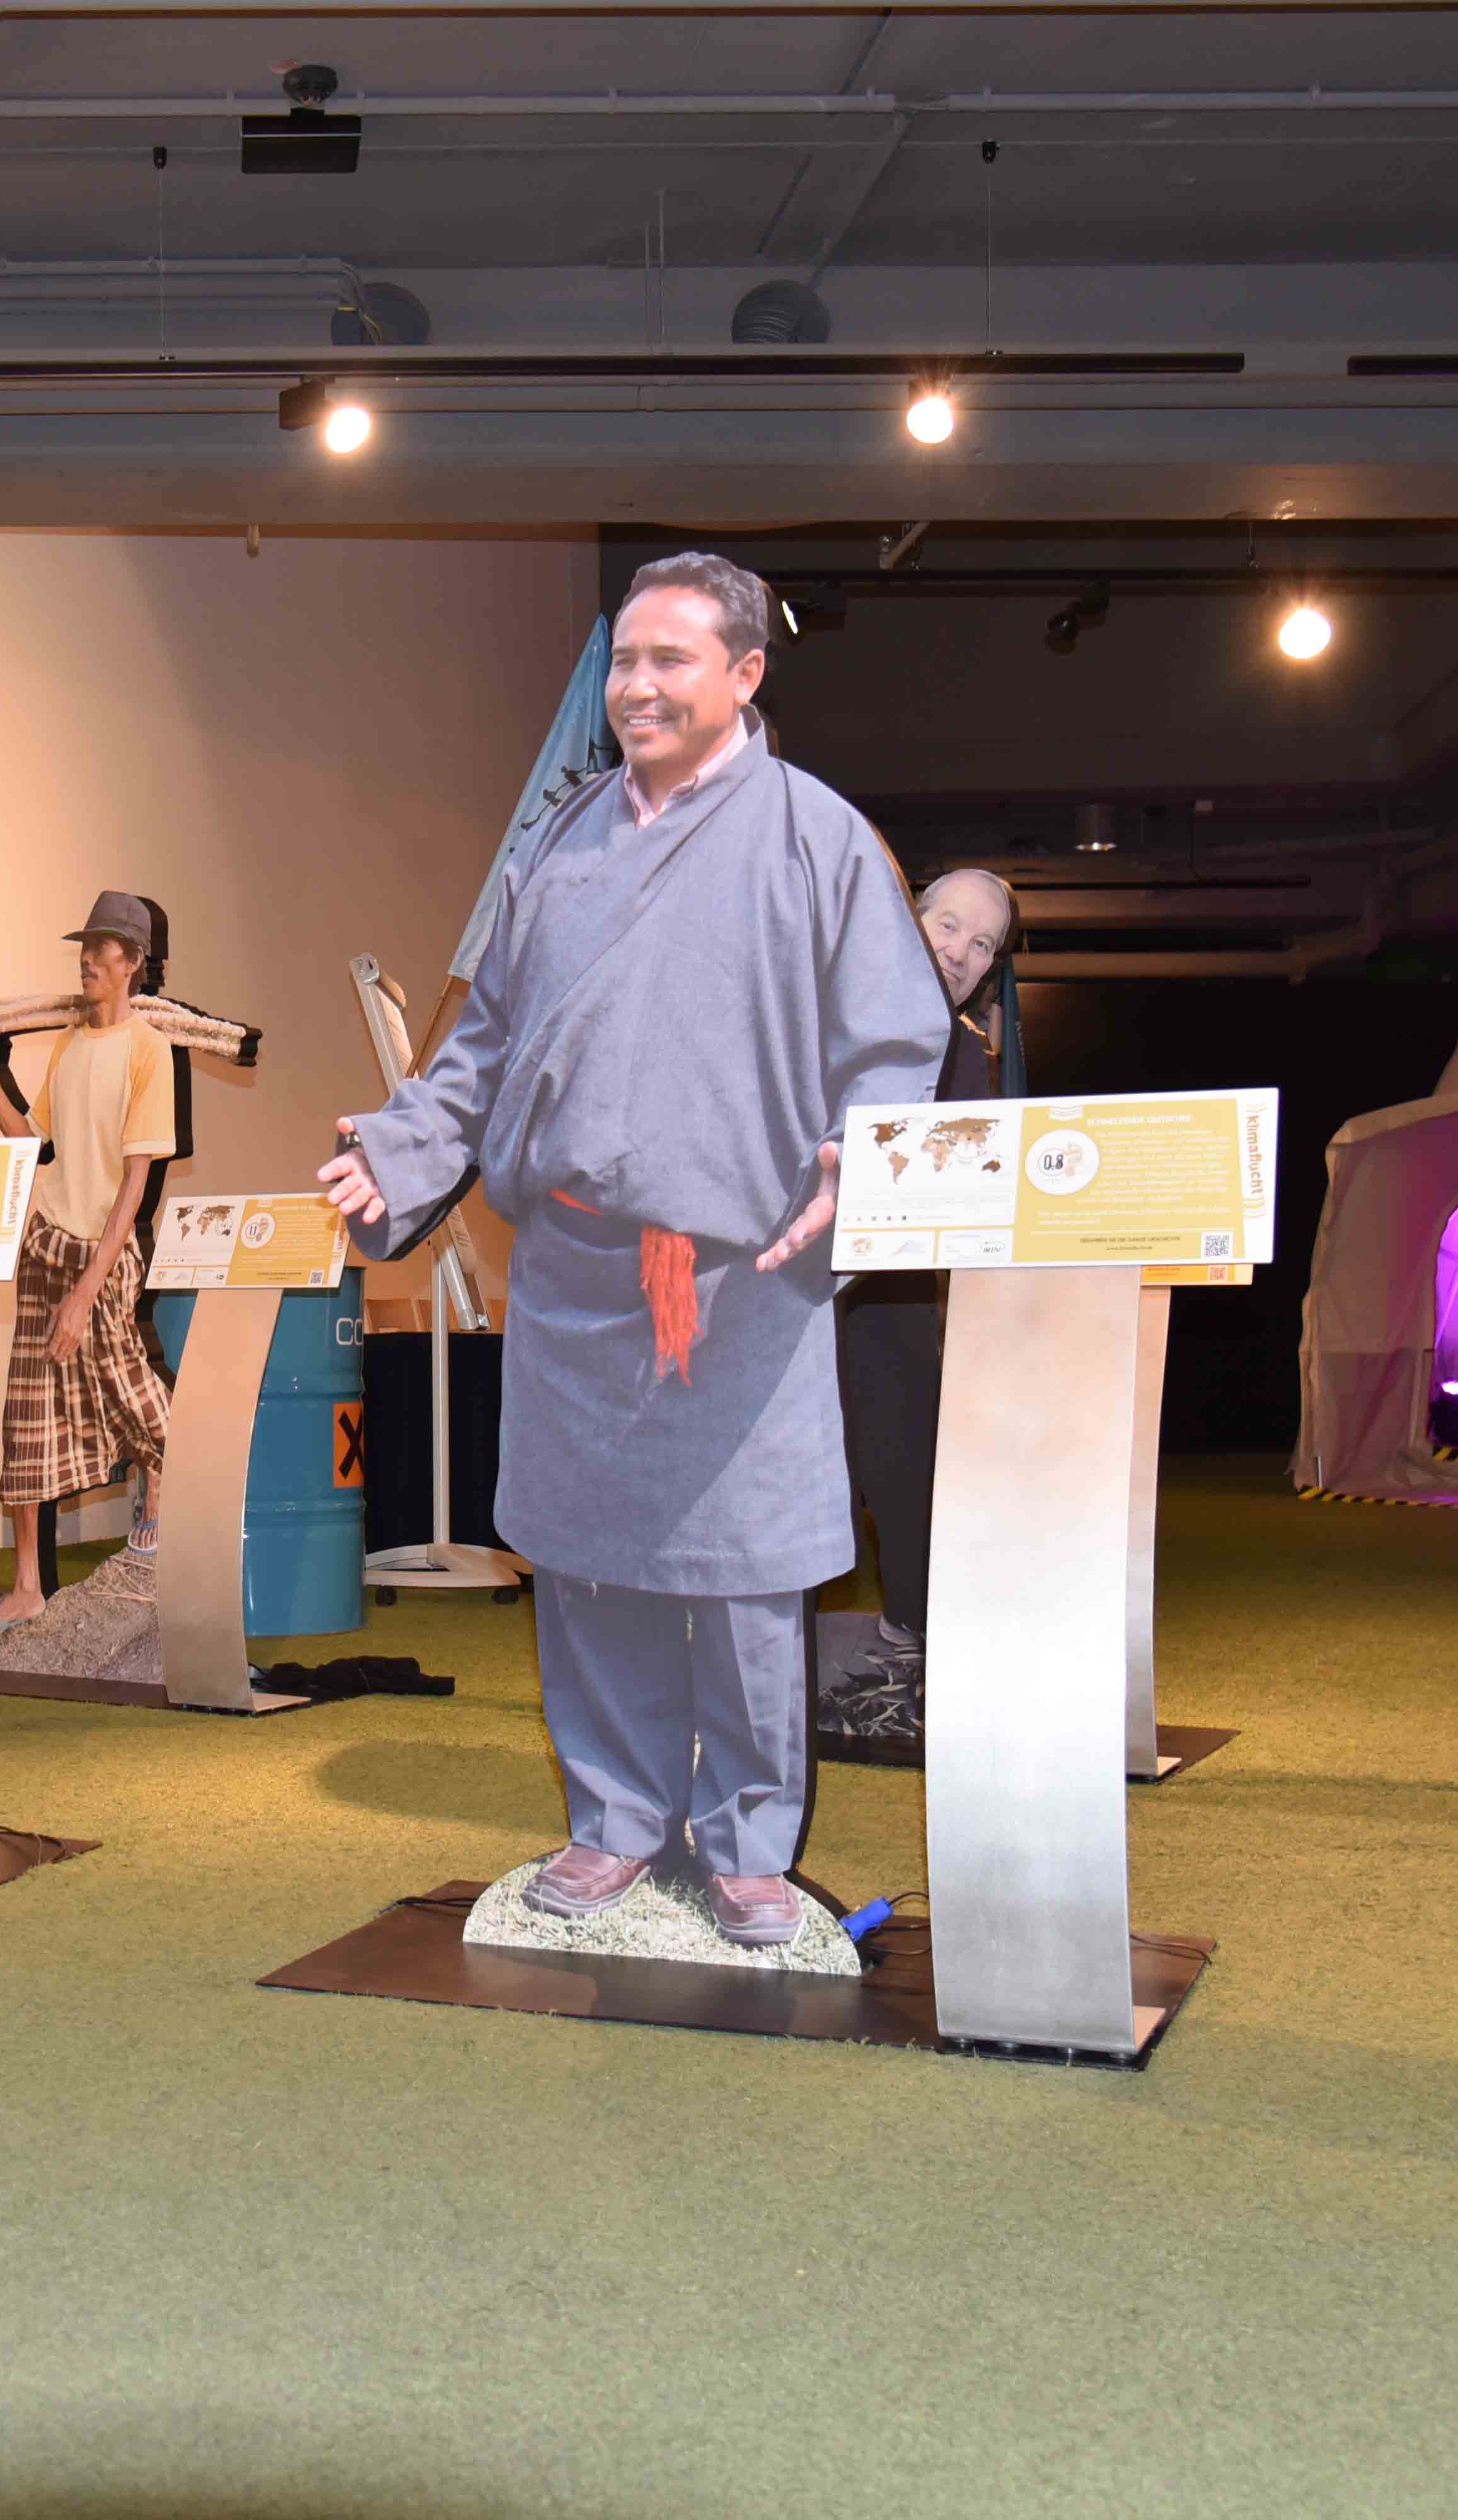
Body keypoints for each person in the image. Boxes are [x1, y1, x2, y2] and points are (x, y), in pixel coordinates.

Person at [318, 552, 951, 1946]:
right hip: (574, 1269)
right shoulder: (559, 844)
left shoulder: (818, 838)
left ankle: (747, 1843)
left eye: (672, 660)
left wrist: (860, 1158)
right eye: (624, 661)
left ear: (745, 673)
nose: (638, 687)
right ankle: (612, 1821)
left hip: (745, 1274)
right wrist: (401, 1150)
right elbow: (482, 1045)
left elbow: (895, 1046)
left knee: (743, 1573)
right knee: (587, 1560)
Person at [825, 866, 1021, 1741]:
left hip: (894, 1290)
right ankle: (752, 1661)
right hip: (786, 1285)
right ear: (911, 916)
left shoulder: (969, 1049)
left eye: (983, 944)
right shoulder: (823, 999)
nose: (960, 952)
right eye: (949, 926)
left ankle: (912, 1642)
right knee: (792, 1479)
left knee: (907, 1464)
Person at [0, 892, 180, 1648]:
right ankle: (27, 1587)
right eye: (84, 945)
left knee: (132, 1393)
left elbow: (134, 1184)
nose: (87, 957)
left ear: (133, 961)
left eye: (103, 946)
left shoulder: (148, 1050)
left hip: (101, 1257)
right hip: (45, 1243)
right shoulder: (70, 1044)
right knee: (27, 1416)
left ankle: (176, 1498)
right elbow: (32, 1145)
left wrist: (88, 1291)